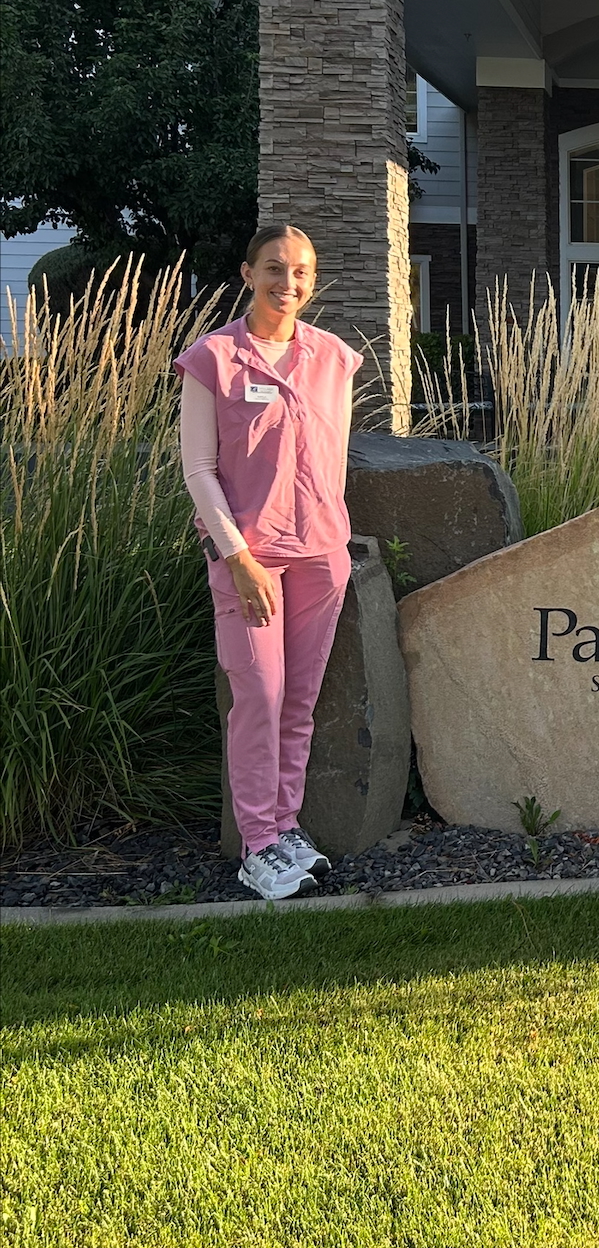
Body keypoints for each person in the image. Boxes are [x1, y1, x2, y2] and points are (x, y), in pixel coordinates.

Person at [176, 225, 362, 901]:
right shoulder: (213, 359)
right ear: (248, 273)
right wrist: (239, 557)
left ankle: (286, 829)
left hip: (320, 558)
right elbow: (199, 470)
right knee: (259, 699)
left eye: (303, 271)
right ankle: (258, 845)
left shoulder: (334, 359)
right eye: (277, 269)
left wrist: (334, 541)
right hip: (247, 561)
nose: (290, 283)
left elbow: (333, 460)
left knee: (300, 702)